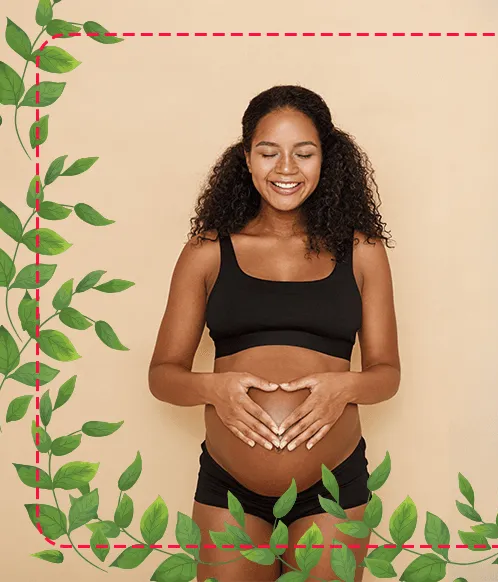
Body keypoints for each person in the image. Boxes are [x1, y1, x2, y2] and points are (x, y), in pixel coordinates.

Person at [148, 85, 400, 581]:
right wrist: (212, 388)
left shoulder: (363, 251)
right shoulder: (206, 252)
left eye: (303, 153)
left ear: (326, 158)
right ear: (246, 158)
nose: (286, 168)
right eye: (269, 152)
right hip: (229, 488)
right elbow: (162, 375)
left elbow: (387, 374)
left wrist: (344, 386)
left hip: (333, 487)